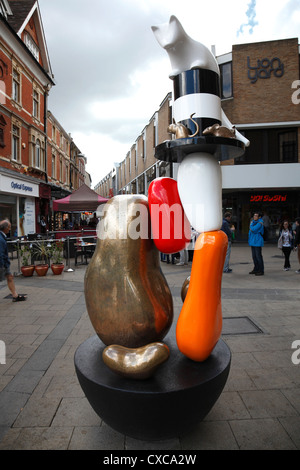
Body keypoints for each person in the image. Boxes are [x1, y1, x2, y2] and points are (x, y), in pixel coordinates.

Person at [0, 220, 26, 302]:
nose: (10, 229)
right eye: (9, 227)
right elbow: (0, 253)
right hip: (2, 264)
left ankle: (15, 296)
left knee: (10, 277)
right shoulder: (0, 239)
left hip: (4, 263)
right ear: (5, 228)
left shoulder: (2, 236)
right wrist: (2, 265)